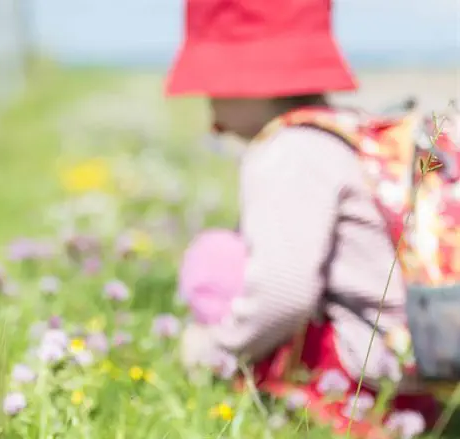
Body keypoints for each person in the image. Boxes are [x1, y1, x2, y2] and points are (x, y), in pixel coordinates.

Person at [169, 0, 460, 437]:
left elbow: (283, 293)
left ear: (250, 83)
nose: (212, 116)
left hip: (367, 376)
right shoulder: (353, 131)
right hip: (427, 353)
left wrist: (214, 349)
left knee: (216, 257)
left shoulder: (288, 150)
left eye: (212, 90)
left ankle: (325, 410)